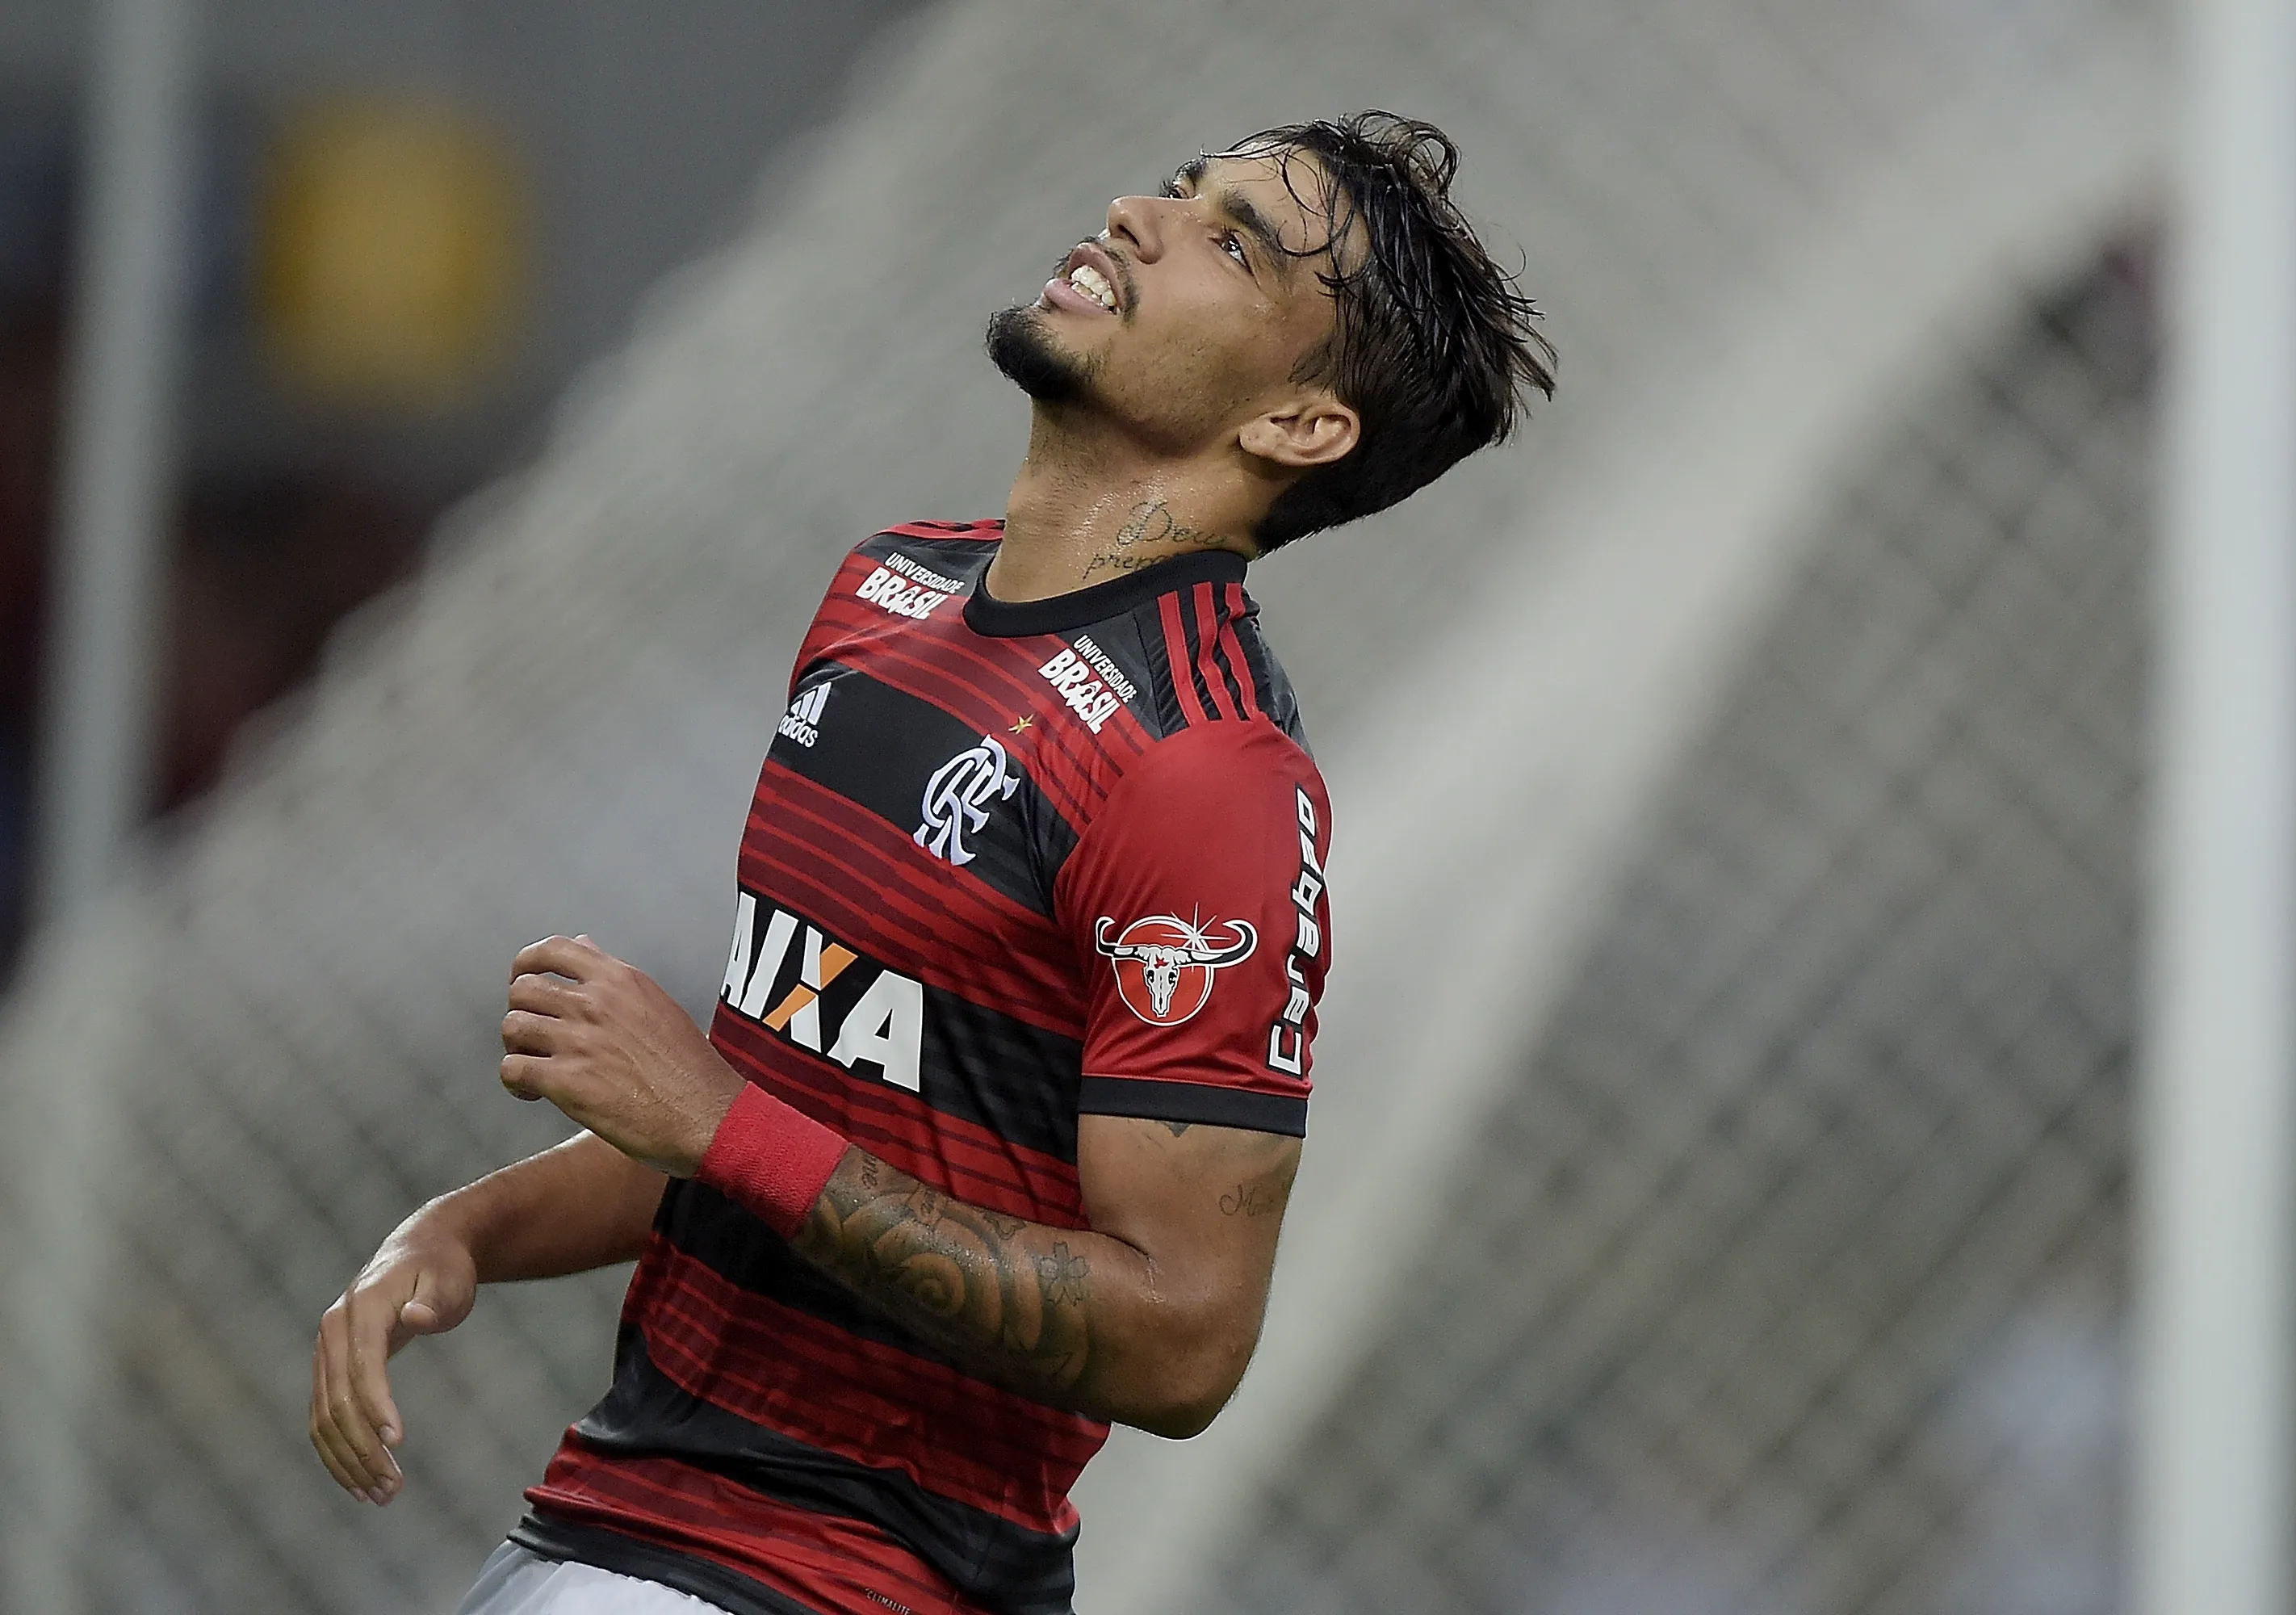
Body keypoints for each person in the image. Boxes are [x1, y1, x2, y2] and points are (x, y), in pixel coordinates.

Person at [308, 110, 1554, 1615]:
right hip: (618, 1520)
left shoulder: (1209, 773)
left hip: (843, 1579)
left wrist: (712, 1115)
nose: (1139, 215)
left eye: (1233, 242)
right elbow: (792, 1135)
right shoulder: (885, 589)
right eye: (1178, 188)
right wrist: (459, 1234)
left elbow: (1184, 1340)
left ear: (1298, 424)